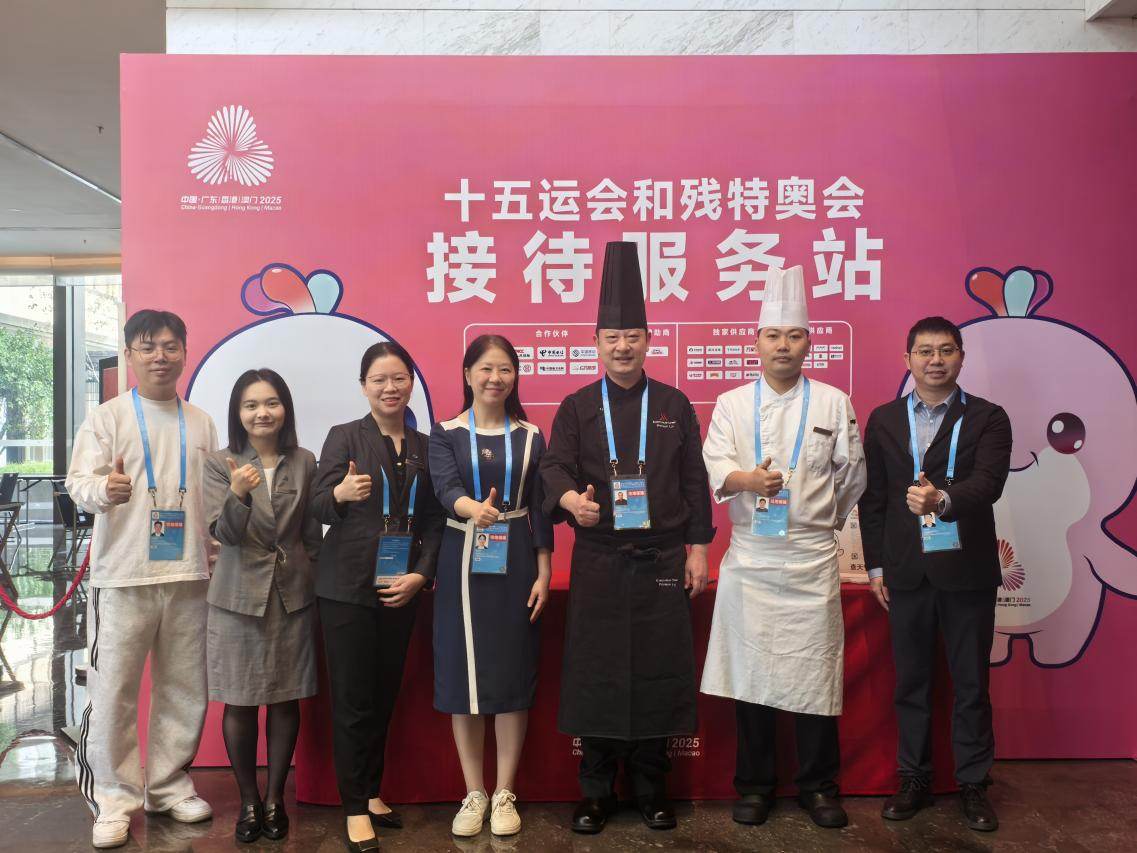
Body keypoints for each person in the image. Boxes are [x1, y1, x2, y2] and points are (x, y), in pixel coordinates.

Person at [540, 241, 714, 835]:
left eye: (632, 336)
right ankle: (595, 791)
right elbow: (554, 468)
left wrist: (698, 549)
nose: (622, 346)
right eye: (612, 336)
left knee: (658, 672)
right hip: (600, 558)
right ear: (596, 342)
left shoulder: (673, 404)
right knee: (597, 673)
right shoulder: (576, 407)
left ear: (648, 340)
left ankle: (650, 788)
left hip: (663, 559)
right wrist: (572, 502)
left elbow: (693, 480)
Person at [700, 265, 867, 829]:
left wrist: (821, 523)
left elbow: (853, 475)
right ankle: (754, 786)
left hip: (812, 558)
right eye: (773, 335)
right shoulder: (730, 403)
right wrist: (747, 481)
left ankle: (819, 787)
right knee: (751, 676)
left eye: (794, 336)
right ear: (757, 342)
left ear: (808, 343)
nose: (783, 346)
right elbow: (715, 464)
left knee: (814, 672)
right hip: (751, 557)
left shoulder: (833, 401)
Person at [65, 309, 218, 849]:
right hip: (123, 575)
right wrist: (104, 490)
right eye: (148, 347)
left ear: (184, 352)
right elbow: (78, 483)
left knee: (184, 688)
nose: (160, 356)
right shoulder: (106, 418)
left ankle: (169, 787)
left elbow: (209, 498)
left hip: (189, 574)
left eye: (171, 346)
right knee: (113, 692)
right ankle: (112, 799)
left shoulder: (200, 421)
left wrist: (215, 550)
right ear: (129, 355)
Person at [859, 316, 1012, 833]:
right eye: (925, 351)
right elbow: (874, 499)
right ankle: (913, 778)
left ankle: (973, 784)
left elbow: (989, 484)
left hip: (967, 571)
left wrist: (942, 500)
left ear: (961, 357)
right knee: (912, 683)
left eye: (946, 350)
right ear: (907, 360)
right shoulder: (884, 419)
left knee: (970, 683)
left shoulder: (988, 417)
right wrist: (876, 565)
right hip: (906, 571)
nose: (935, 360)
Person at [310, 342, 445, 853]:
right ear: (363, 386)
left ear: (411, 382)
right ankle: (353, 808)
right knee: (353, 701)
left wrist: (421, 575)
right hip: (345, 589)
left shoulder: (427, 445)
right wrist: (338, 496)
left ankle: (369, 792)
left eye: (399, 378)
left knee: (384, 695)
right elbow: (317, 506)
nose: (391, 388)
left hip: (400, 587)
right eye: (379, 379)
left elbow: (435, 520)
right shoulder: (344, 436)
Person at [429, 334, 553, 839]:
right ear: (467, 374)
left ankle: (504, 792)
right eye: (485, 368)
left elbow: (540, 507)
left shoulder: (531, 436)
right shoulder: (445, 433)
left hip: (516, 557)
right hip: (460, 556)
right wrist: (472, 509)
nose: (494, 378)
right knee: (464, 678)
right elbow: (445, 487)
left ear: (515, 376)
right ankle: (474, 792)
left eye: (504, 369)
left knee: (511, 673)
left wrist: (544, 570)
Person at [202, 369, 321, 843]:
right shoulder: (220, 463)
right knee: (240, 700)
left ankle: (275, 798)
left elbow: (310, 534)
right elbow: (224, 534)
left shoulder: (304, 461)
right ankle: (248, 800)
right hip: (237, 597)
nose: (262, 413)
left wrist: (315, 581)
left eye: (271, 403)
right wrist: (237, 493)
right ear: (238, 413)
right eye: (251, 405)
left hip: (293, 595)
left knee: (285, 698)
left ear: (285, 409)